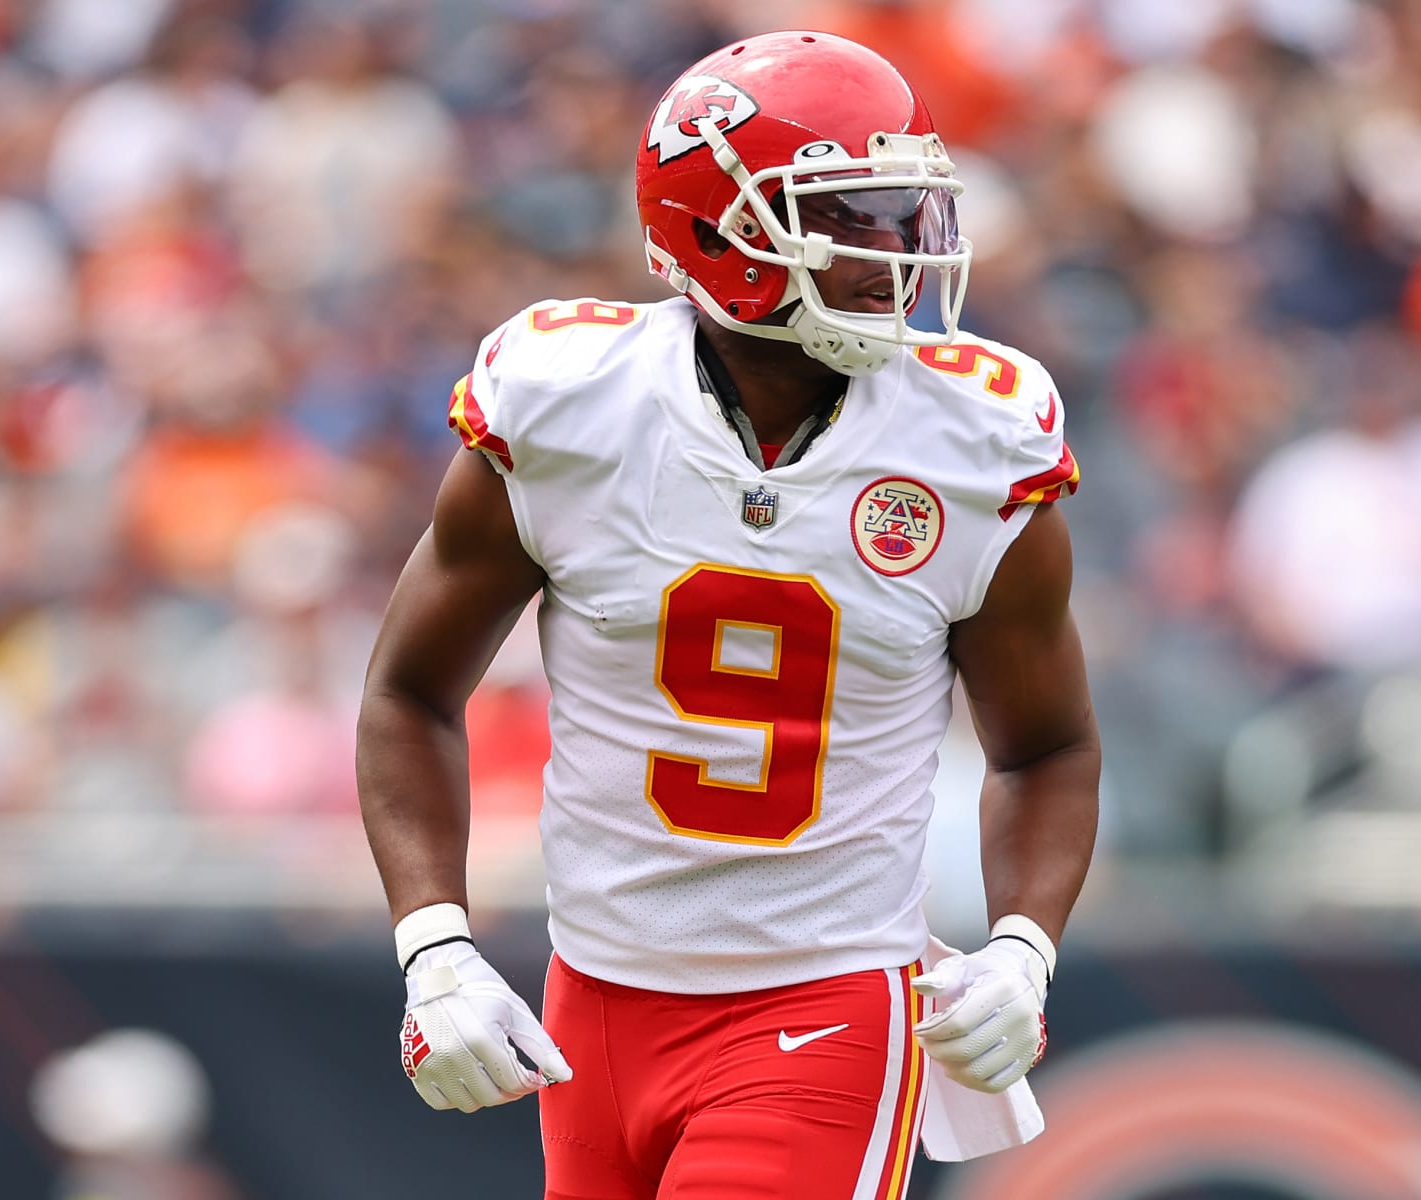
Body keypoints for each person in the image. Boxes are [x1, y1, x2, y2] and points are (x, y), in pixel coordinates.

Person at [356, 30, 1100, 1200]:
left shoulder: (973, 443)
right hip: (590, 1001)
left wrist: (1022, 948)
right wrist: (435, 949)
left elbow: (1047, 742)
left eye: (902, 207)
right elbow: (408, 690)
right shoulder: (568, 406)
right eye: (846, 213)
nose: (899, 247)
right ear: (721, 236)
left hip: (824, 999)